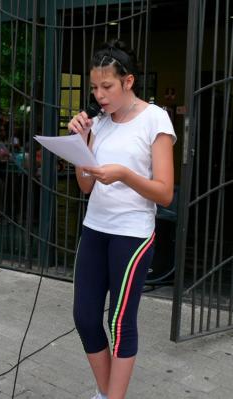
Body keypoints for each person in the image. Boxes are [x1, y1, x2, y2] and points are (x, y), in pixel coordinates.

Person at [68, 40, 176, 399]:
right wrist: (81, 145)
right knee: (85, 318)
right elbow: (85, 186)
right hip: (95, 228)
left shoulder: (155, 118)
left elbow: (165, 193)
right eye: (94, 87)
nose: (99, 95)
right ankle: (107, 393)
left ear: (128, 81)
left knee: (119, 321)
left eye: (107, 87)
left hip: (132, 234)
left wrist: (124, 175)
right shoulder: (99, 123)